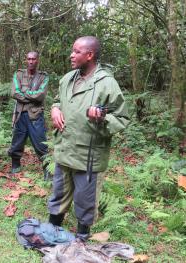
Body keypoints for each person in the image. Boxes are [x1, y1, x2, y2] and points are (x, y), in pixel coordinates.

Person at [47, 36, 129, 241]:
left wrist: (101, 117)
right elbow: (58, 100)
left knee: (85, 198)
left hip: (88, 154)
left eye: (76, 52)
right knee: (59, 191)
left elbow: (122, 117)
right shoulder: (67, 79)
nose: (71, 55)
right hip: (65, 147)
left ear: (89, 55)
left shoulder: (106, 83)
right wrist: (55, 110)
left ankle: (81, 237)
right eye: (72, 51)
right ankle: (52, 229)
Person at [8, 51, 50, 179]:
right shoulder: (19, 74)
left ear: (38, 61)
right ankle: (15, 165)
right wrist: (31, 95)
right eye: (29, 59)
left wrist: (24, 94)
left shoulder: (43, 76)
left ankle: (47, 169)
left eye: (34, 59)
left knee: (40, 143)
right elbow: (15, 93)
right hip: (20, 114)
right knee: (17, 142)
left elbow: (41, 95)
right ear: (26, 60)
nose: (31, 61)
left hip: (35, 115)